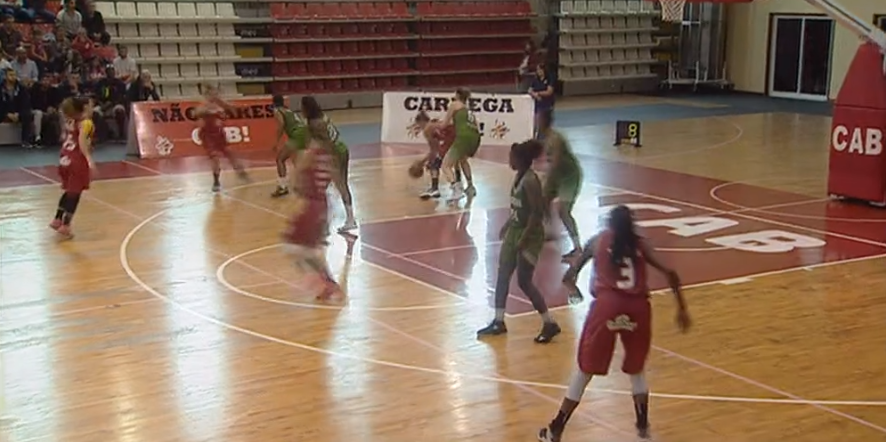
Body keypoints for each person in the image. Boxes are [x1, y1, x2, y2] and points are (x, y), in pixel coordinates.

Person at [537, 205, 691, 442]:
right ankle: (643, 431)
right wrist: (682, 309)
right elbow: (671, 273)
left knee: (584, 370)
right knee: (636, 370)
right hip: (638, 308)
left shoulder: (599, 241)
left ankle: (556, 428)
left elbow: (569, 277)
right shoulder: (641, 244)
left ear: (610, 224)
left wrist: (574, 291)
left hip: (607, 307)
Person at [477, 140, 561, 343]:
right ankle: (498, 321)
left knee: (524, 281)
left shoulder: (531, 181)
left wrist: (524, 237)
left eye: (512, 158)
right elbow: (519, 209)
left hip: (530, 234)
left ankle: (549, 323)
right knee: (503, 275)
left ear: (521, 160)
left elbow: (536, 213)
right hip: (516, 229)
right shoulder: (518, 177)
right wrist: (508, 224)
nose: (509, 161)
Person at [281, 131, 342, 301]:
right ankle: (326, 284)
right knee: (309, 249)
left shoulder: (309, 155)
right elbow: (335, 182)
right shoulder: (328, 159)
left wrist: (295, 191)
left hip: (311, 206)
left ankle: (324, 282)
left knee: (295, 248)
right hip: (323, 205)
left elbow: (297, 175)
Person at [301, 95, 357, 234]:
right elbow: (335, 133)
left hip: (334, 152)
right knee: (335, 187)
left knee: (329, 188)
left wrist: (329, 159)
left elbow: (326, 142)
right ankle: (347, 220)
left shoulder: (314, 123)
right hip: (341, 147)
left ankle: (328, 224)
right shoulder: (322, 116)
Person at [539, 111, 583, 259]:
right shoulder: (545, 137)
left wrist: (546, 178)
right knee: (542, 200)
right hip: (557, 175)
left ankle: (577, 247)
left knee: (563, 211)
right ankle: (549, 231)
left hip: (569, 176)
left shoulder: (556, 138)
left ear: (545, 121)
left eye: (538, 119)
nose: (535, 121)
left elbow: (556, 162)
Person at [50, 96, 94, 239]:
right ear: (85, 107)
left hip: (64, 157)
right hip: (76, 161)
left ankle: (57, 219)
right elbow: (81, 141)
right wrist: (89, 159)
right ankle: (66, 226)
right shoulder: (85, 122)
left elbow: (64, 137)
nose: (93, 107)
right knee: (75, 194)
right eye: (91, 105)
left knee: (69, 190)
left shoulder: (70, 120)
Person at [196, 84, 248, 192]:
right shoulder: (204, 104)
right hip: (208, 135)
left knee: (230, 153)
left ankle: (241, 173)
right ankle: (216, 181)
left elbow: (231, 108)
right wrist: (207, 111)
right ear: (207, 95)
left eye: (216, 93)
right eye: (212, 94)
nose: (215, 95)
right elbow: (196, 112)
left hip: (219, 133)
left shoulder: (219, 102)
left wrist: (234, 108)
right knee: (215, 158)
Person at [440, 88, 479, 201]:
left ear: (457, 95)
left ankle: (456, 189)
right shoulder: (468, 110)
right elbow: (475, 126)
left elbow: (444, 124)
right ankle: (471, 186)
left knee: (445, 165)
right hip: (475, 138)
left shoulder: (454, 104)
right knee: (463, 160)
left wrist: (434, 126)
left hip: (463, 137)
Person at [413, 111, 462, 199]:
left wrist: (423, 162)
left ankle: (436, 188)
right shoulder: (436, 122)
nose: (419, 127)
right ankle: (459, 183)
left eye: (419, 124)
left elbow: (433, 150)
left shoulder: (427, 129)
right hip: (457, 140)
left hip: (448, 143)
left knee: (434, 164)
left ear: (421, 121)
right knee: (455, 163)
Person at [270, 94, 306, 198]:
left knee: (280, 159)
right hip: (304, 132)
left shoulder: (277, 111)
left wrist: (276, 142)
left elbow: (281, 124)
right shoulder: (289, 111)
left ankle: (282, 187)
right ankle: (304, 184)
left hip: (296, 134)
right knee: (297, 161)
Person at [0, 68, 33, 148]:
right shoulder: (0, 88)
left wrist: (18, 114)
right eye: (11, 75)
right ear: (5, 77)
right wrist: (7, 114)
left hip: (17, 113)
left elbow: (26, 103)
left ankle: (25, 141)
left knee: (28, 115)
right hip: (4, 112)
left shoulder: (21, 88)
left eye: (14, 75)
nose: (13, 77)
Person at [529, 64, 555, 139]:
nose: (538, 72)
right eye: (537, 70)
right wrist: (534, 94)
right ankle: (535, 140)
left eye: (540, 70)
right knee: (535, 125)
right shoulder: (535, 80)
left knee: (545, 126)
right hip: (538, 106)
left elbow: (549, 91)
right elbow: (530, 90)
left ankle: (545, 140)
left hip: (547, 106)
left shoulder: (549, 79)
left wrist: (539, 93)